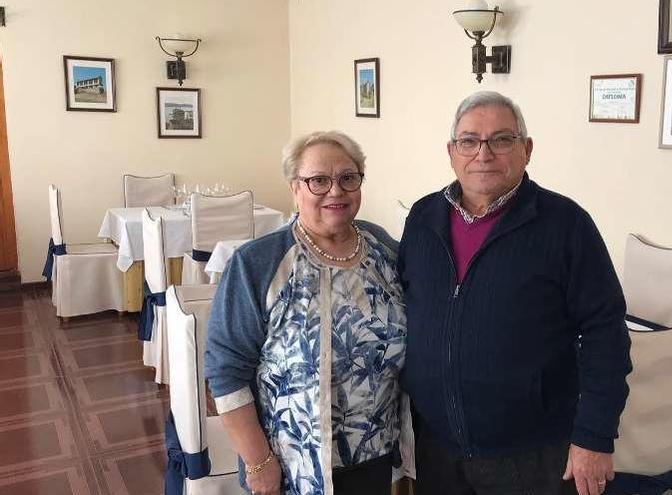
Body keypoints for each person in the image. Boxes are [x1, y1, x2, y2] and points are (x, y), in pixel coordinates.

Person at [398, 91, 632, 495]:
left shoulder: (566, 225)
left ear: (526, 149)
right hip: (437, 446)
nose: (483, 153)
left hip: (532, 452)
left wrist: (594, 436)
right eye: (469, 141)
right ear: (452, 152)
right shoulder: (423, 217)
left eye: (501, 139)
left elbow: (605, 334)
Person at [205, 131, 408, 495]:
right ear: (294, 188)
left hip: (374, 453)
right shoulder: (257, 263)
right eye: (318, 180)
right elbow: (226, 371)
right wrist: (258, 461)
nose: (335, 191)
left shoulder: (384, 250)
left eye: (348, 178)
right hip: (289, 463)